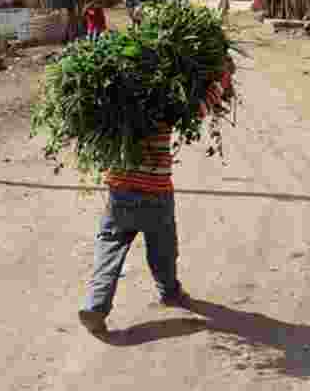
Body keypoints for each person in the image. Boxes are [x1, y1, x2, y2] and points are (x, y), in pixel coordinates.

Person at [78, 60, 237, 336]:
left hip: (120, 192)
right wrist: (221, 80)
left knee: (110, 246)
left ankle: (96, 304)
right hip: (156, 192)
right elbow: (198, 109)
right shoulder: (166, 106)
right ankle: (170, 292)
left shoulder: (112, 107)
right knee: (163, 249)